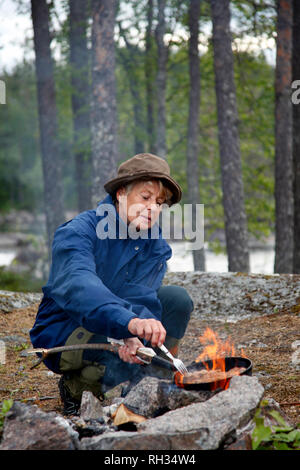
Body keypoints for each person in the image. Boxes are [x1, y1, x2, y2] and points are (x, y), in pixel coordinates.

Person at [30, 153, 194, 415]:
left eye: (160, 202)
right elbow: (81, 287)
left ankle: (145, 384)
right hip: (65, 329)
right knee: (122, 330)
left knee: (175, 300)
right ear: (121, 193)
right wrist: (127, 325)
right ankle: (78, 387)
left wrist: (132, 335)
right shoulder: (78, 231)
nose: (153, 207)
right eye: (145, 197)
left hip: (116, 322)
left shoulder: (154, 245)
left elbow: (141, 296)